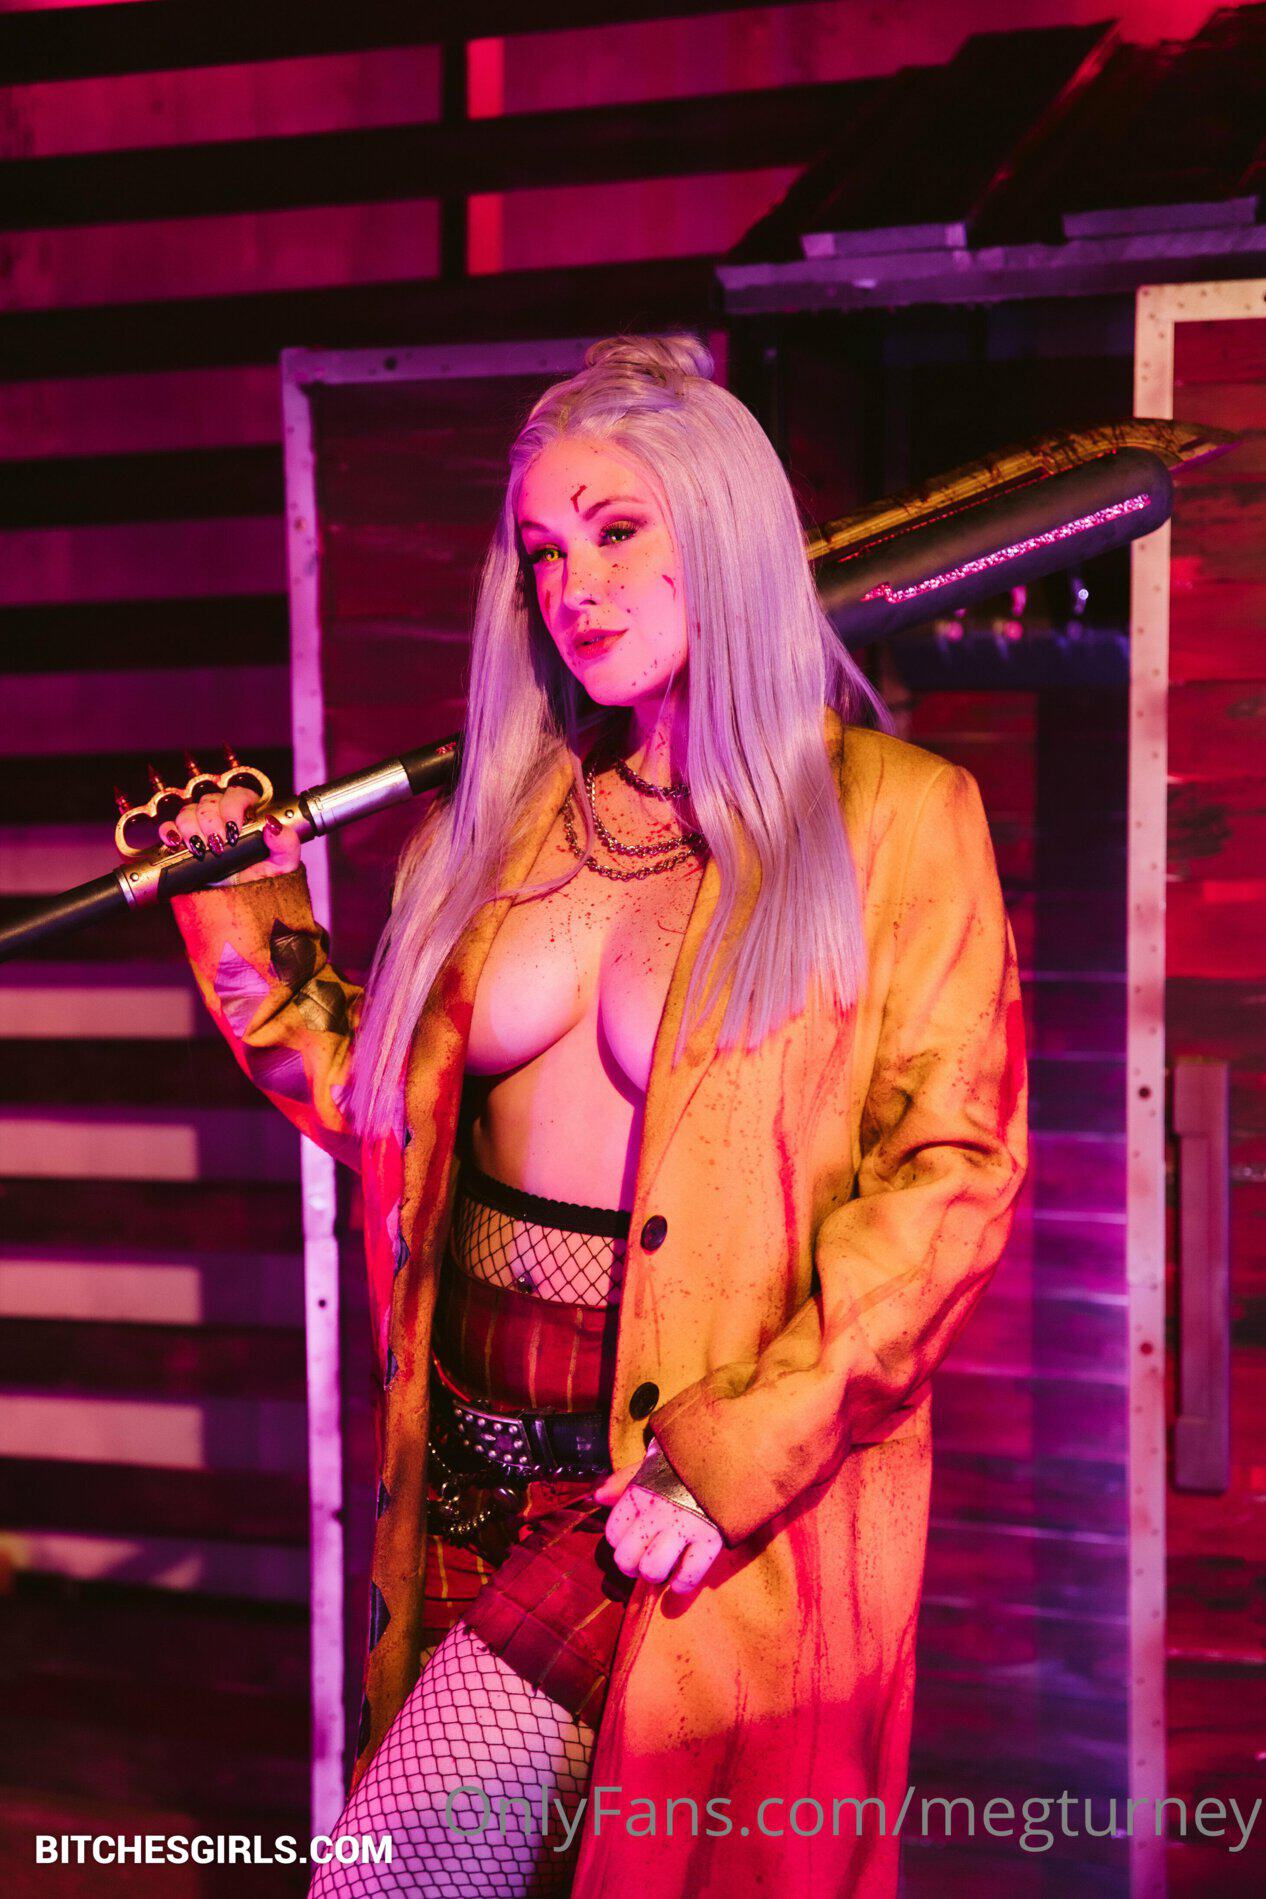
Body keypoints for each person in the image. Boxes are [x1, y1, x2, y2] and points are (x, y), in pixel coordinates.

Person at [159, 334, 1028, 1898]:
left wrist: (731, 1451)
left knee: (385, 1880)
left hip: (658, 1488)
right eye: (544, 552)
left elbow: (949, 1178)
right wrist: (244, 913)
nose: (574, 587)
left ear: (724, 532)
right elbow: (387, 1121)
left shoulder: (894, 823)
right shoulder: (498, 818)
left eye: (617, 530)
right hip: (461, 1473)